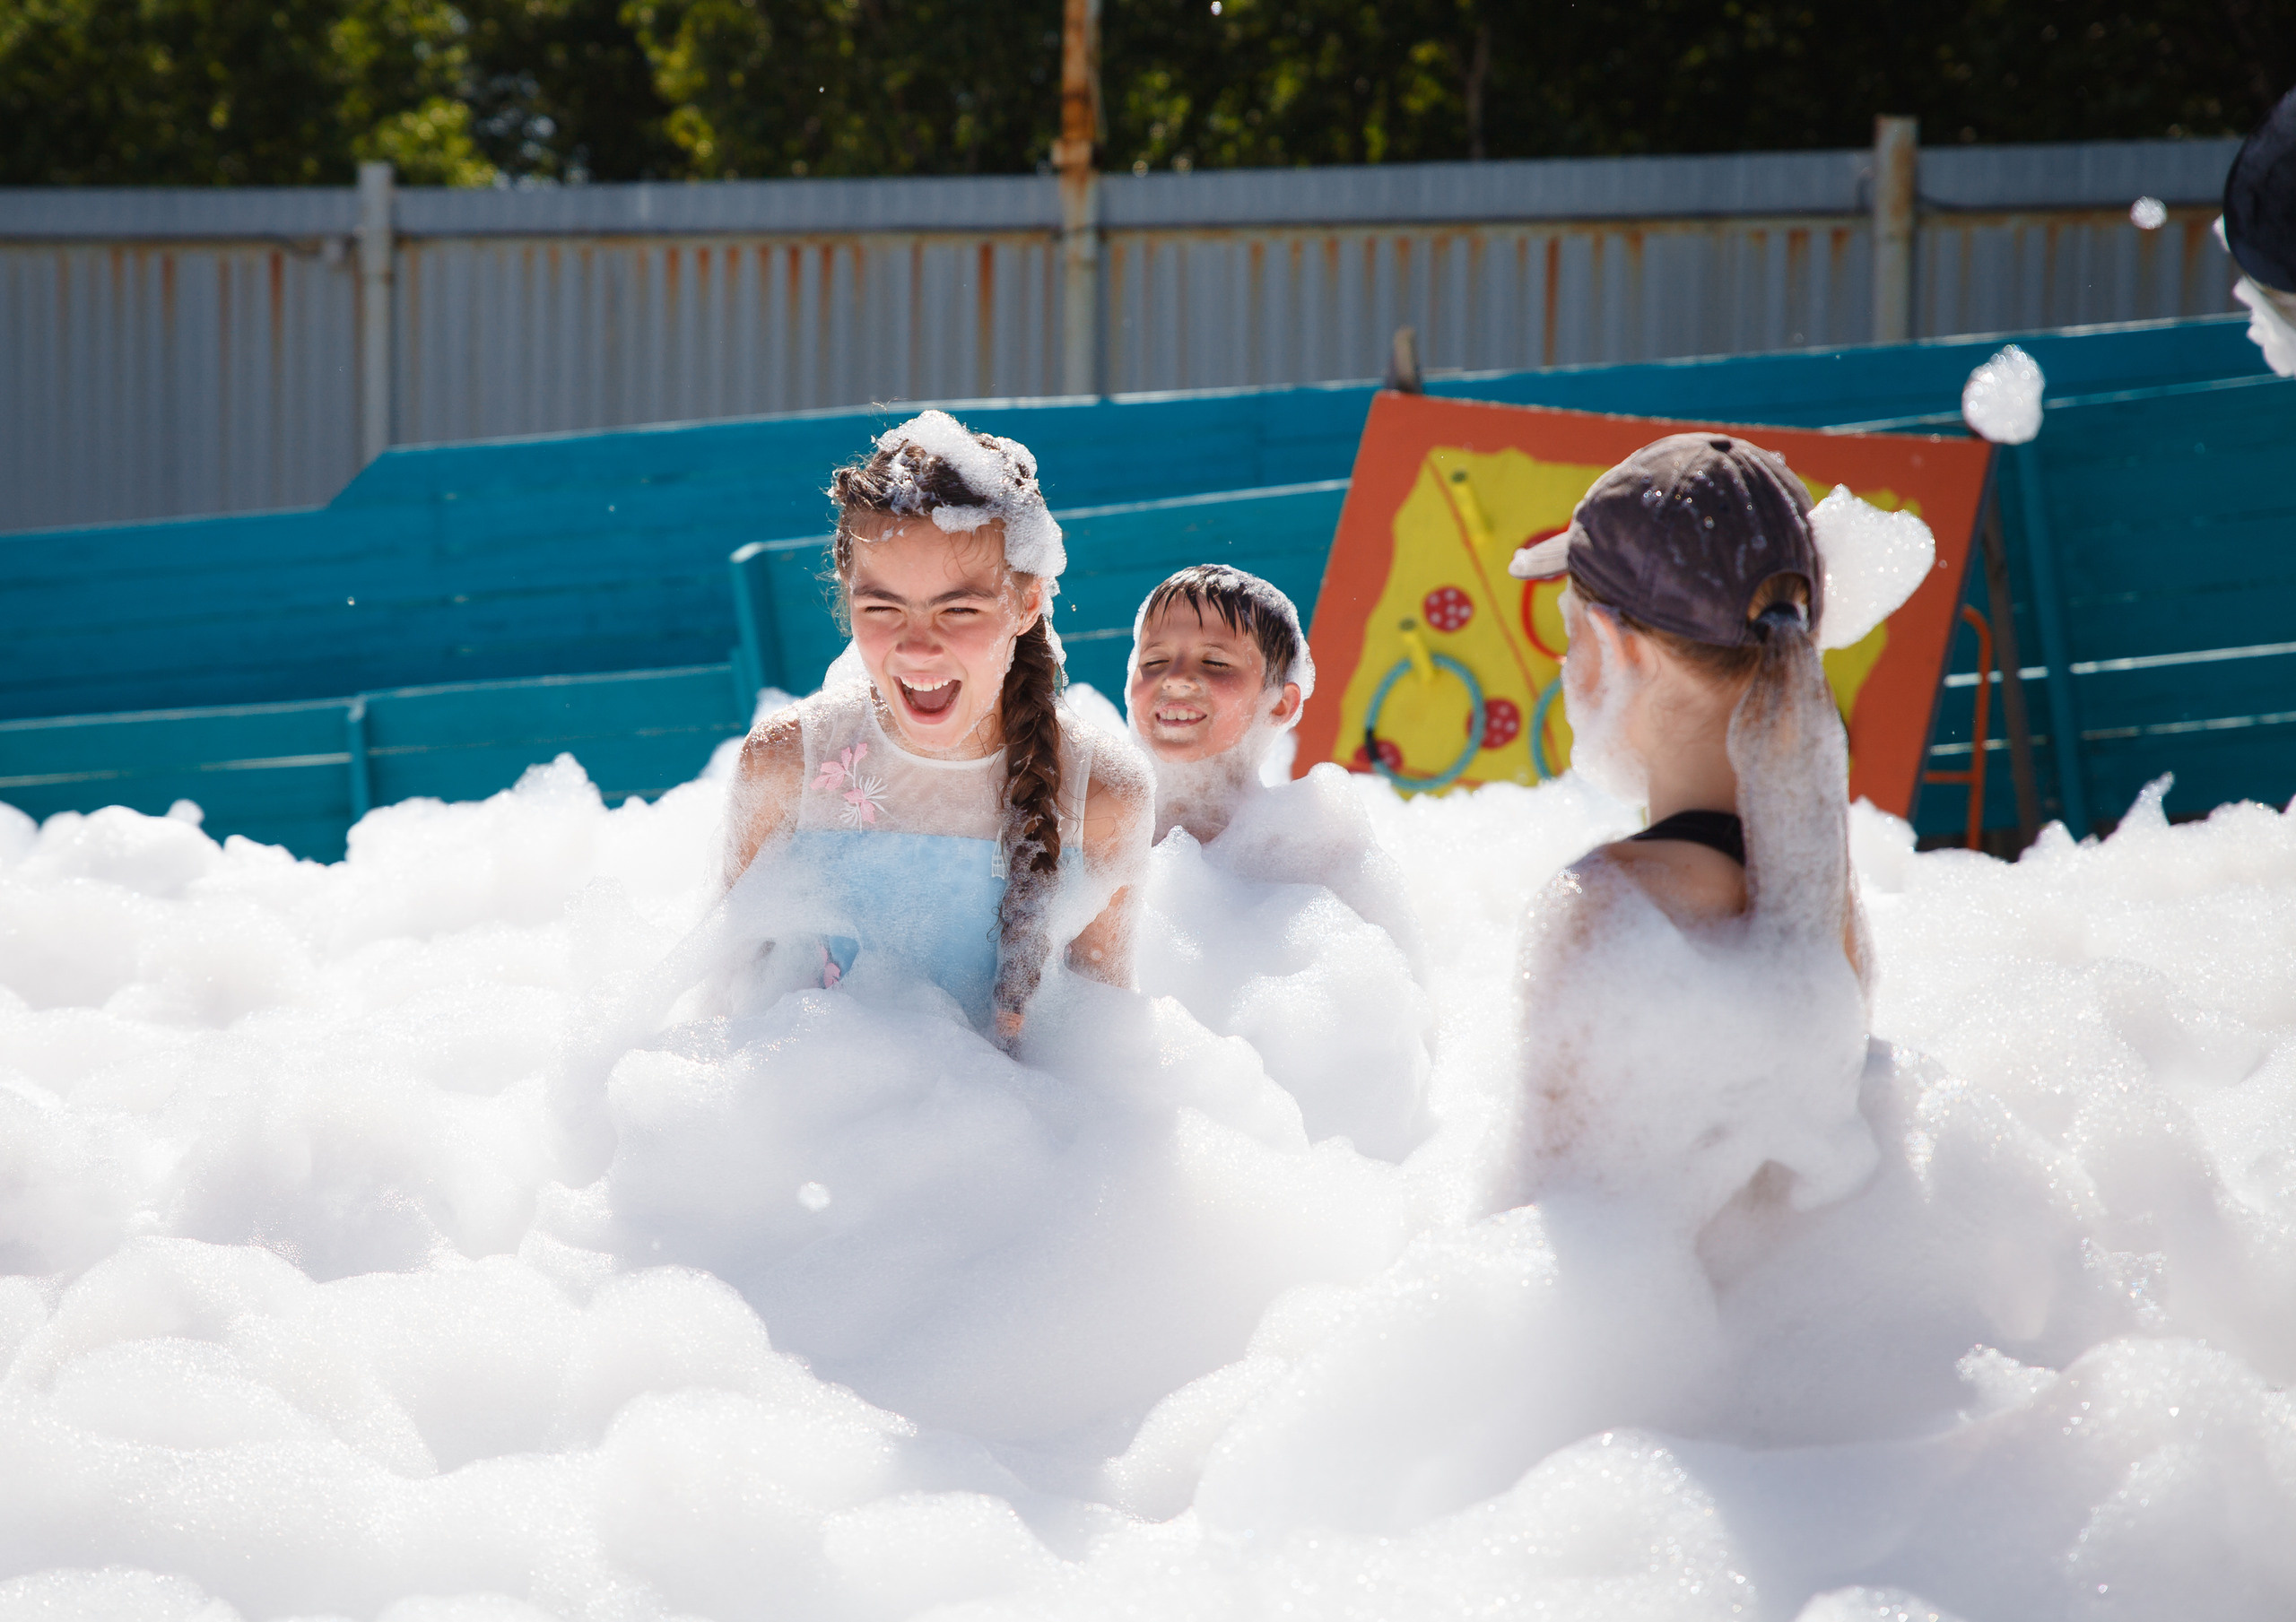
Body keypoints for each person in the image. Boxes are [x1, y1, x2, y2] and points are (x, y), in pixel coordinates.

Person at [1503, 433, 1920, 1228]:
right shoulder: (1819, 892)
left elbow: (1552, 1239)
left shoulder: (1603, 912)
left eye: (1570, 629)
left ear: (1615, 650)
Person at [719, 409, 1151, 1045]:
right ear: (848, 597)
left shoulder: (1101, 796)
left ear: (1026, 602)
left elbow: (1101, 1050)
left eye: (960, 608)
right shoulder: (788, 764)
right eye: (882, 606)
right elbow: (734, 998)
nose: (918, 646)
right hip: (810, 1118)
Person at [1125, 565, 1431, 1157]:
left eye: (1215, 664)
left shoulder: (1318, 851)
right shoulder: (1103, 829)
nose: (1177, 680)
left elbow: (1397, 1034)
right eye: (1153, 661)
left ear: (1282, 702)